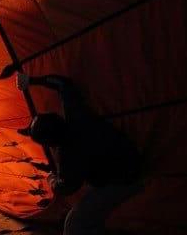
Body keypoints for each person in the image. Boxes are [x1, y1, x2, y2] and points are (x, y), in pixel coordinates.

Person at [17, 73, 143, 235]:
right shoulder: (76, 115)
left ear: (49, 143)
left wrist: (51, 179)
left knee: (74, 226)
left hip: (122, 180)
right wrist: (31, 80)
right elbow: (63, 84)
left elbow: (66, 187)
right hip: (130, 160)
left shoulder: (68, 155)